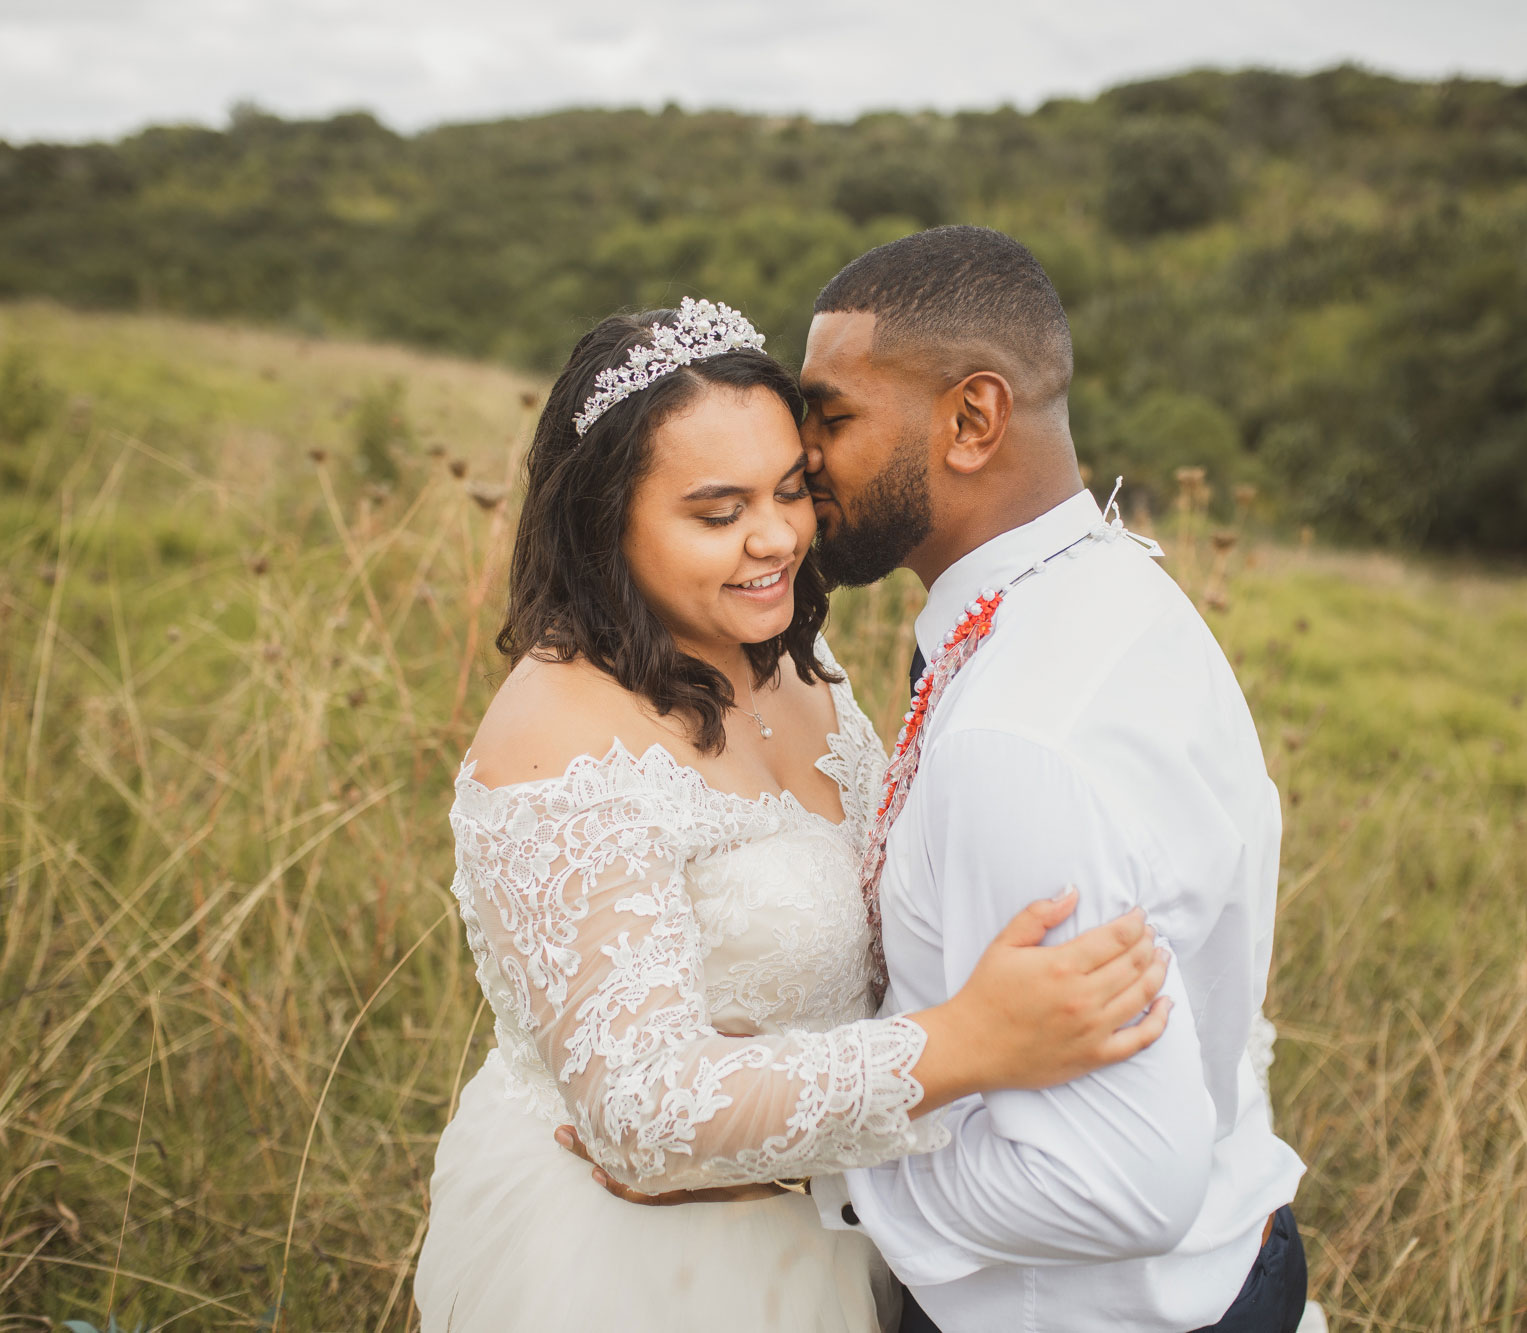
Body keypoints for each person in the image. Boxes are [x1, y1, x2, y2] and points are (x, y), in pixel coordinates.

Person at [581, 228, 1311, 1332]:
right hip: (1231, 1258)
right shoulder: (1113, 586)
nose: (801, 457)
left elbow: (1115, 1180)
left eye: (830, 417)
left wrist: (804, 1174)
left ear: (970, 420)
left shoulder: (1017, 738)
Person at [413, 297, 1177, 1333]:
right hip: (643, 1264)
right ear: (605, 522)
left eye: (789, 491)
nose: (774, 539)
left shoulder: (798, 664)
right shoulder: (558, 733)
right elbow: (640, 1113)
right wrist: (962, 1043)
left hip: (828, 1226)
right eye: (717, 513)